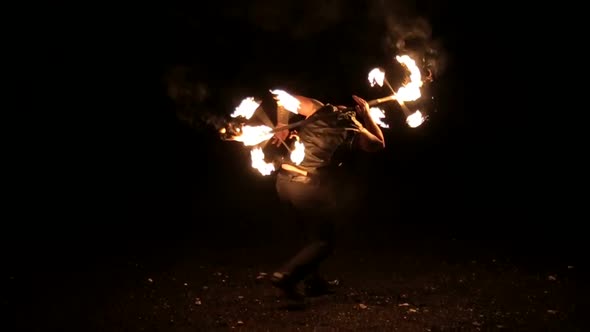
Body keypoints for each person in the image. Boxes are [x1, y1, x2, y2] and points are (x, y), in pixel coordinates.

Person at [269, 94, 385, 303]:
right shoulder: (351, 126)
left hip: (284, 181)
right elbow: (378, 143)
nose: (343, 107)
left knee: (310, 234)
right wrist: (366, 116)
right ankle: (285, 276)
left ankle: (314, 282)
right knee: (323, 242)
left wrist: (282, 123)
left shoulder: (319, 110)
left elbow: (281, 97)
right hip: (305, 186)